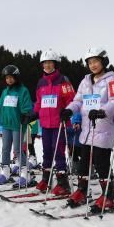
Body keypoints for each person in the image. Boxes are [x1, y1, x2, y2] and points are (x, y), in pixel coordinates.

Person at [63, 47, 114, 210]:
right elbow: (78, 100)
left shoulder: (112, 80)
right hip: (87, 130)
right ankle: (82, 190)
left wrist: (102, 112)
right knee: (84, 163)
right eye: (90, 62)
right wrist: (70, 109)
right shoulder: (85, 81)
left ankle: (109, 194)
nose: (93, 65)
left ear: (103, 61)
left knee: (101, 162)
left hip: (103, 127)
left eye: (96, 61)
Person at [30, 49, 75, 196]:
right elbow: (39, 102)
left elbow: (71, 99)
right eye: (45, 63)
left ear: (55, 64)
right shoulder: (40, 82)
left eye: (50, 63)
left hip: (59, 123)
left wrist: (67, 110)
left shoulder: (63, 80)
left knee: (59, 152)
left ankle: (63, 183)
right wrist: (34, 114)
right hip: (45, 124)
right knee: (47, 152)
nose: (47, 65)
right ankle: (46, 179)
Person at [0, 65, 34, 186]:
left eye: (11, 77)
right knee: (5, 148)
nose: (9, 80)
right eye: (7, 78)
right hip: (6, 125)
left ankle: (25, 173)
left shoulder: (23, 90)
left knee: (18, 150)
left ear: (16, 77)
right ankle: (5, 171)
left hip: (18, 125)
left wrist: (26, 114)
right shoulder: (5, 92)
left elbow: (27, 106)